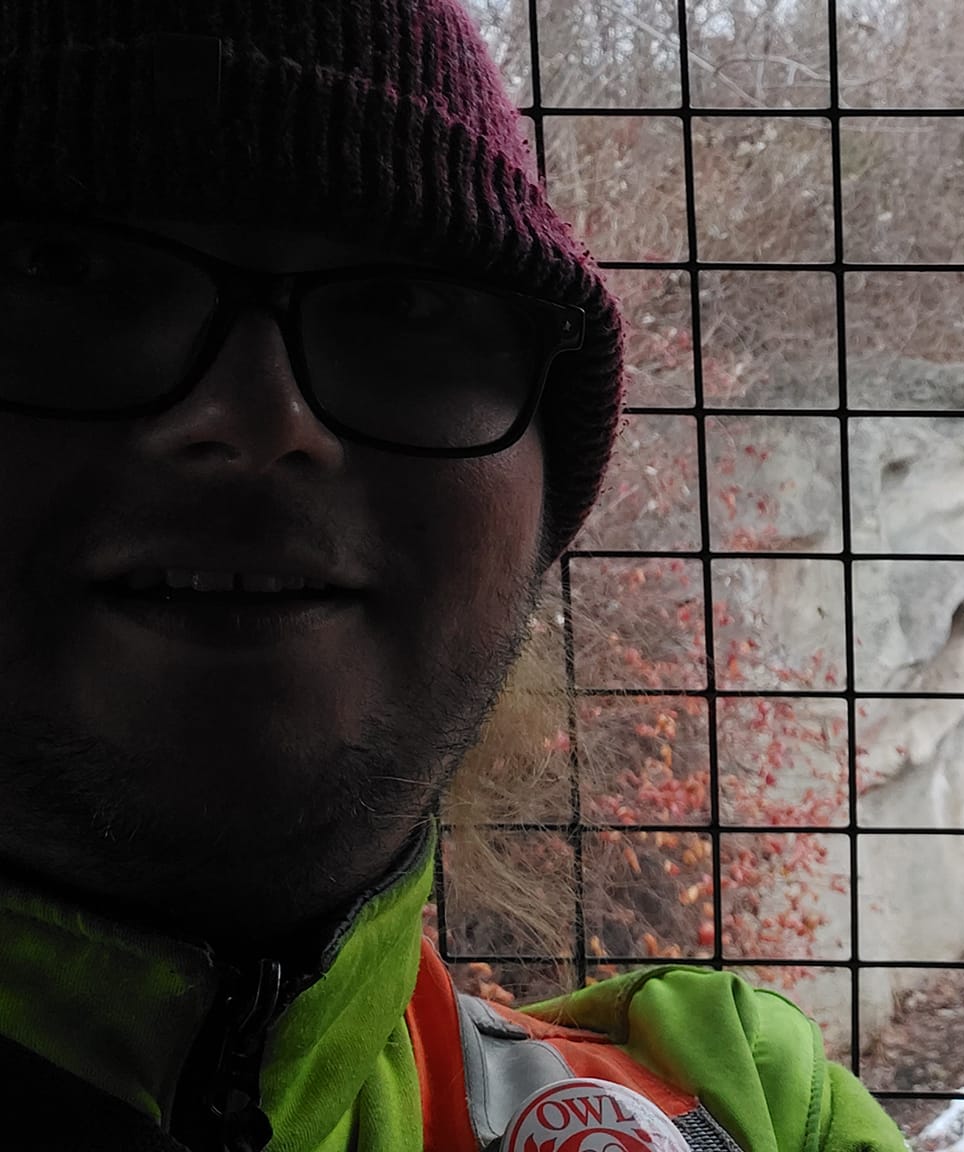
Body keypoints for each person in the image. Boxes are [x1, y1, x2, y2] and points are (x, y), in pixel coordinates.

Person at [0, 3, 909, 1149]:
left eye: (403, 306)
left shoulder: (743, 1114)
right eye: (60, 273)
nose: (256, 418)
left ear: (541, 516)